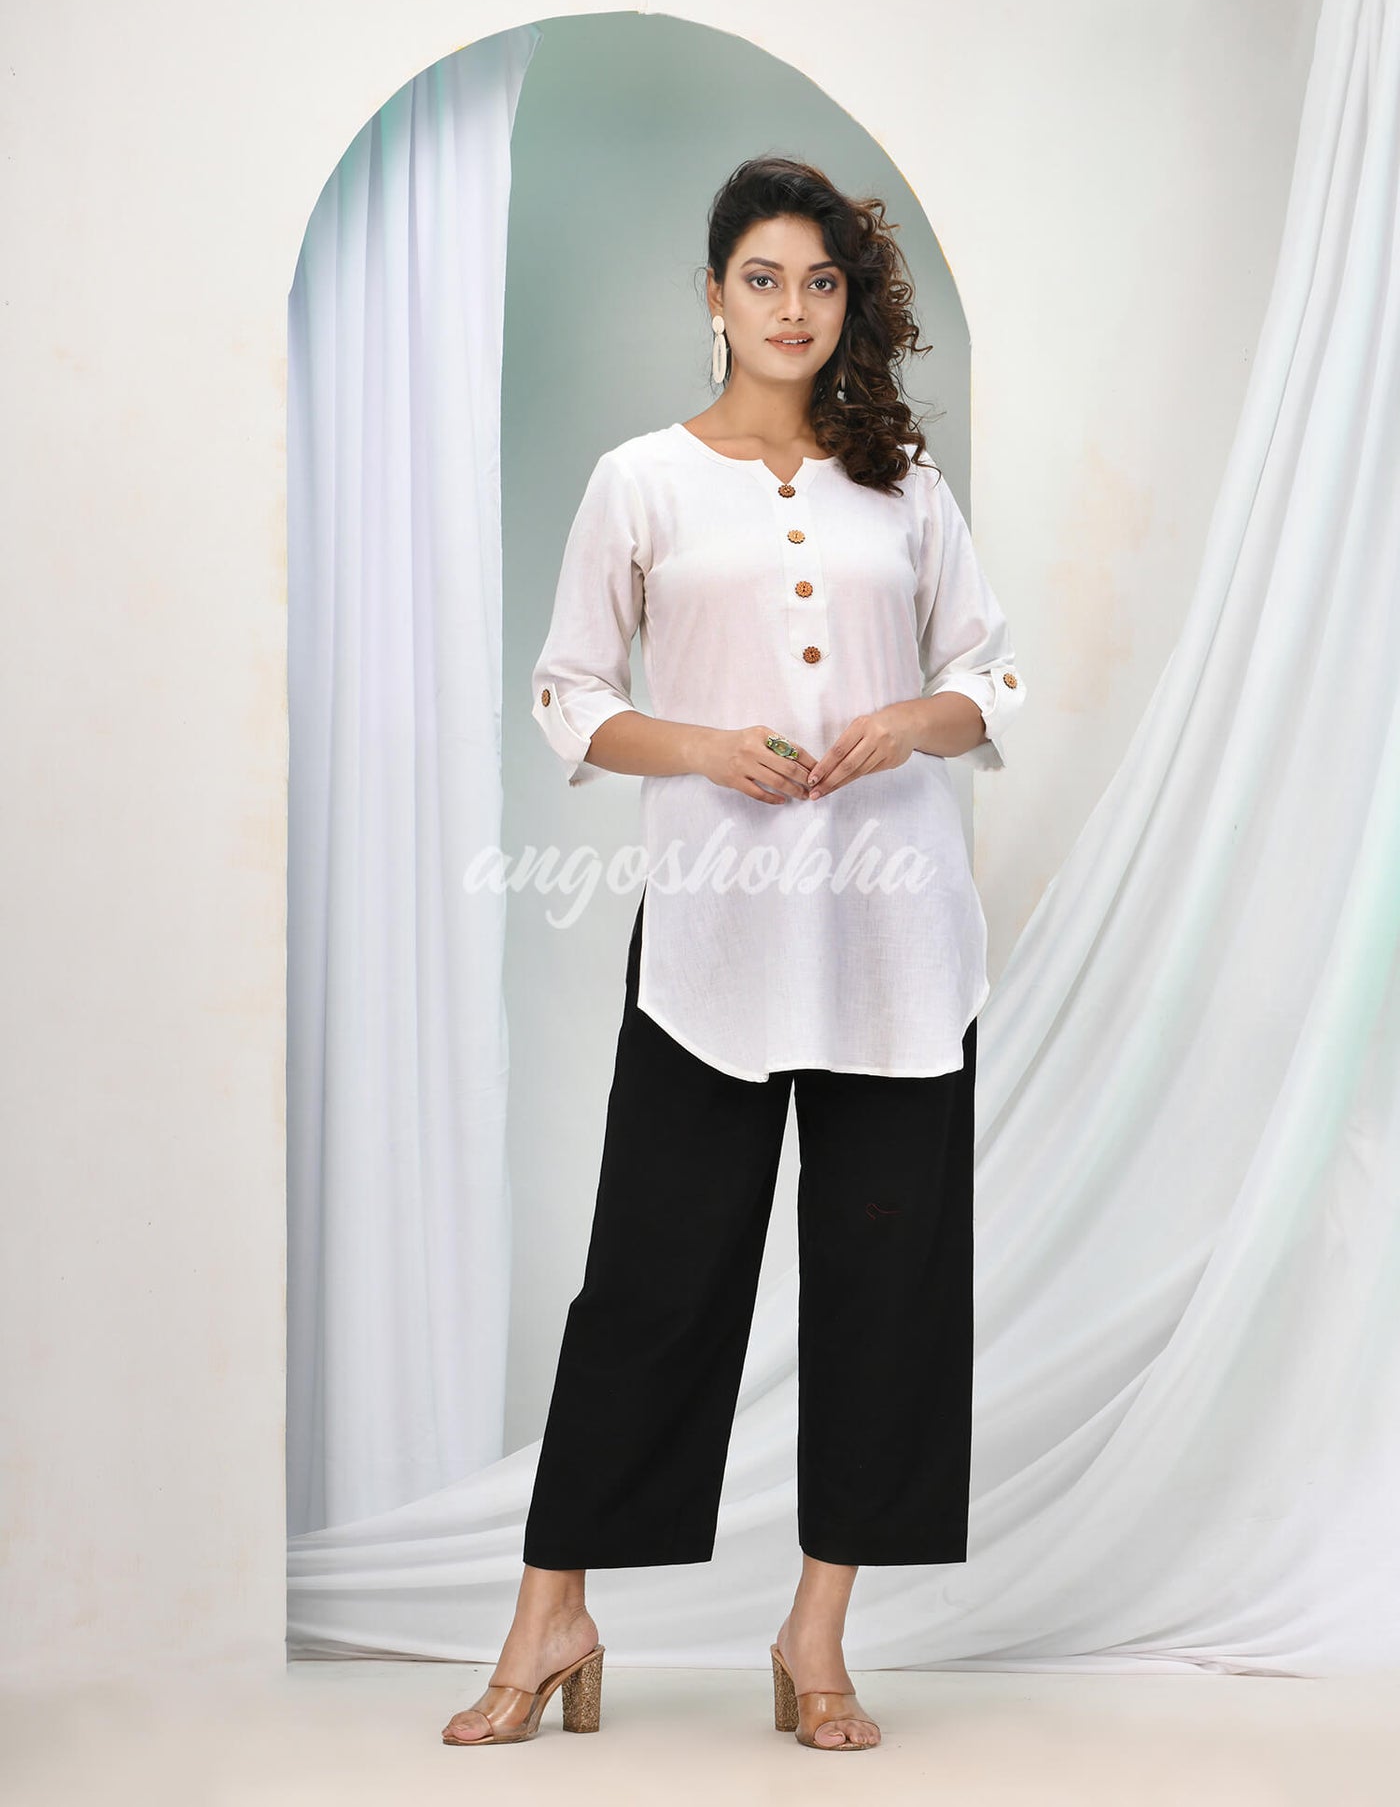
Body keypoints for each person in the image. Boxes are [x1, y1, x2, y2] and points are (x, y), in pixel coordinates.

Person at [442, 155, 1026, 1753]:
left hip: (900, 942)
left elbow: (993, 674)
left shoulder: (906, 486)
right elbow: (568, 693)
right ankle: (553, 1613)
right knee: (651, 1278)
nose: (792, 308)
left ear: (847, 303)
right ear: (714, 295)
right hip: (713, 941)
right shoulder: (642, 480)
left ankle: (816, 1635)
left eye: (820, 282)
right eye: (763, 278)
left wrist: (917, 716)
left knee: (888, 1288)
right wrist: (701, 745)